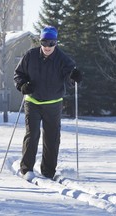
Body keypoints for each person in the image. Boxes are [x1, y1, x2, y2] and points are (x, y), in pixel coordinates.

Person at [14, 26, 82, 181]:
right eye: (44, 42)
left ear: (56, 43)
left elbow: (70, 77)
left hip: (53, 103)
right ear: (40, 41)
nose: (47, 46)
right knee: (32, 134)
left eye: (51, 43)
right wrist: (23, 85)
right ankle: (26, 169)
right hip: (32, 101)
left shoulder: (63, 59)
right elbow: (18, 74)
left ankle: (48, 171)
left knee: (52, 137)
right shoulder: (30, 55)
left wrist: (74, 77)